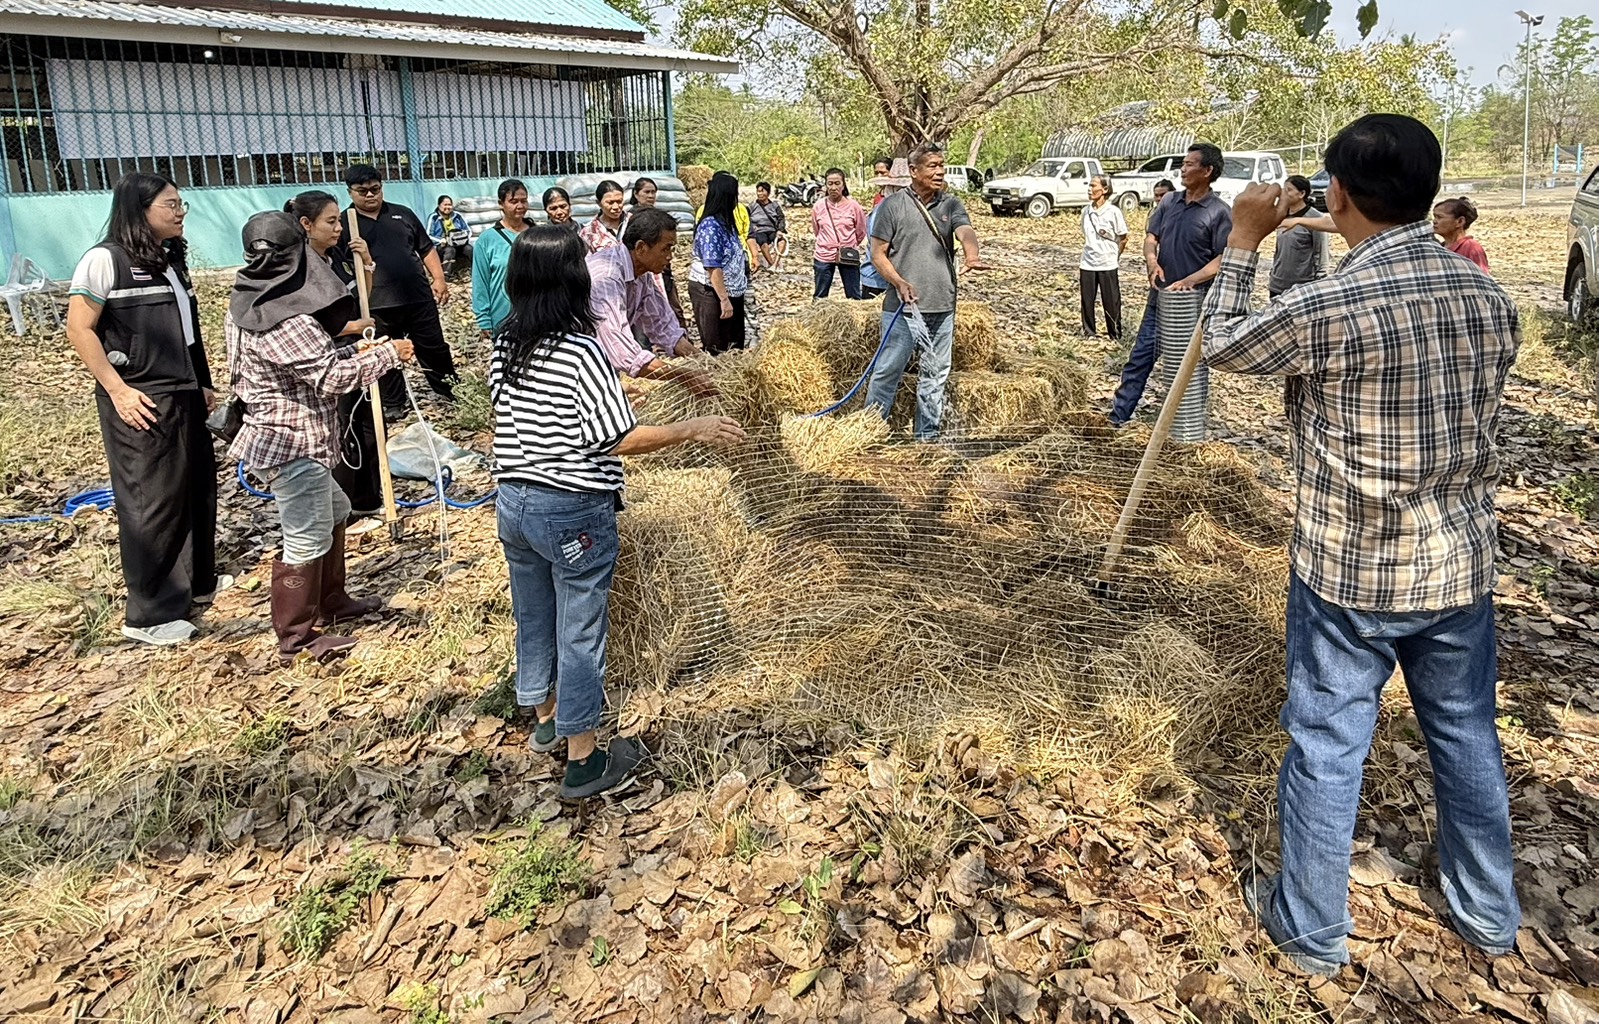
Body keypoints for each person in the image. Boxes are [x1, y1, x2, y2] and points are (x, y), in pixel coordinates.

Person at [1202, 113, 1521, 979]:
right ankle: (1488, 913)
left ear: (1336, 194)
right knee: (1464, 736)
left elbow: (1225, 347)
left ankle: (1309, 930)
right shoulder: (1488, 298)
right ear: (1428, 193)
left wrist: (1241, 241)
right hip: (1457, 561)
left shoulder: (1328, 304)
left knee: (1327, 742)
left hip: (1350, 569)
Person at [491, 225, 746, 798]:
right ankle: (583, 760)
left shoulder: (506, 340)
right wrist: (692, 429)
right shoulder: (582, 347)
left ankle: (546, 719)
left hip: (514, 501)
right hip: (571, 507)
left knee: (534, 615)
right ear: (571, 278)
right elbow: (614, 439)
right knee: (581, 631)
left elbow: (534, 410)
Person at [226, 211, 415, 663]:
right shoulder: (281, 319)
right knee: (306, 536)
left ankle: (331, 601)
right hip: (290, 443)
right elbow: (330, 378)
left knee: (336, 509)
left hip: (294, 436)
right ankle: (296, 637)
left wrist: (356, 349)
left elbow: (315, 360)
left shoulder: (249, 304)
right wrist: (388, 353)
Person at [66, 172, 227, 647]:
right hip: (139, 396)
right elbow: (80, 329)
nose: (180, 213)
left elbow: (187, 330)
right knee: (150, 500)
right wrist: (118, 390)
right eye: (171, 205)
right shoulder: (104, 260)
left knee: (196, 487)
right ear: (140, 210)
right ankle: (150, 615)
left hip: (184, 390)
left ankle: (198, 582)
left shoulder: (167, 259)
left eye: (182, 205)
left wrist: (202, 383)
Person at [864, 143, 988, 439]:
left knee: (935, 375)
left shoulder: (951, 204)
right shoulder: (892, 207)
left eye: (942, 165)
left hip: (943, 305)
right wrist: (899, 282)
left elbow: (965, 231)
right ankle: (868, 432)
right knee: (887, 372)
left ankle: (926, 437)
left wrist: (972, 255)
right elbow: (877, 254)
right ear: (913, 171)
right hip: (902, 309)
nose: (940, 171)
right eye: (932, 166)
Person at [1108, 143, 1232, 426]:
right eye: (1184, 163)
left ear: (1207, 171)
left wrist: (1191, 279)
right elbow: (1151, 238)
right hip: (1160, 298)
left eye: (1190, 164)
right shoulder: (1169, 202)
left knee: (1188, 367)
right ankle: (1118, 417)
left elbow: (1224, 257)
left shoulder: (1219, 212)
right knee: (1140, 358)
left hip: (1193, 303)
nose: (1183, 169)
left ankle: (1185, 426)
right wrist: (1152, 262)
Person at [286, 190, 382, 520]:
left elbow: (361, 296)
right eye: (331, 221)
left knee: (363, 424)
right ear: (306, 224)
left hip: (353, 353)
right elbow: (307, 326)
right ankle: (344, 507)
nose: (338, 227)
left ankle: (368, 498)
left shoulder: (334, 259)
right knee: (340, 431)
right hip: (324, 361)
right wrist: (353, 328)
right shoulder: (299, 270)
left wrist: (366, 260)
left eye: (339, 220)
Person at [335, 164, 456, 414]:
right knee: (384, 352)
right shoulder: (345, 224)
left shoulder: (403, 214)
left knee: (433, 347)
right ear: (350, 193)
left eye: (375, 189)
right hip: (375, 303)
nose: (370, 195)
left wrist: (439, 279)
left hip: (417, 298)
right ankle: (393, 403)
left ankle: (449, 391)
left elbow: (426, 249)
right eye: (362, 191)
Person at [587, 207, 710, 393]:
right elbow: (624, 353)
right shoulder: (607, 277)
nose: (670, 257)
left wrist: (702, 361)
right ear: (641, 248)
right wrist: (683, 375)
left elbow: (662, 324)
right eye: (665, 249)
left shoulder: (642, 273)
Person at [689, 172, 751, 354]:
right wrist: (724, 300)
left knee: (735, 345)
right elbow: (712, 266)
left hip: (733, 292)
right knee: (718, 346)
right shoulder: (710, 226)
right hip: (712, 293)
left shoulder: (727, 223)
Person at [471, 178, 530, 342]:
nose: (520, 206)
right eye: (513, 201)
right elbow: (480, 281)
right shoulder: (487, 240)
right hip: (503, 316)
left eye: (524, 201)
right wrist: (483, 318)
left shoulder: (536, 235)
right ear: (501, 203)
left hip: (536, 314)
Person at [627, 176, 688, 326]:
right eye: (646, 192)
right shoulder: (631, 219)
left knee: (673, 311)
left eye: (653, 192)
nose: (650, 196)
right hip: (646, 273)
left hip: (663, 274)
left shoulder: (659, 217)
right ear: (636, 194)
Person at [1080, 175, 1129, 339]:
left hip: (1107, 262)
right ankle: (1089, 331)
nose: (1090, 189)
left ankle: (1114, 333)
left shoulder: (1113, 212)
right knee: (1087, 300)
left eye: (1093, 186)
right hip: (1087, 262)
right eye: (1089, 185)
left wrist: (1115, 255)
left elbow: (1123, 237)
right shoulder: (1085, 211)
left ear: (1105, 189)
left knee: (1111, 301)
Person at [1268, 175, 1330, 299]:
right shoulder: (1282, 216)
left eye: (1289, 190)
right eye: (1283, 189)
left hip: (1302, 287)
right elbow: (1279, 249)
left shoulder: (1315, 219)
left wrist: (1320, 281)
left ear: (1302, 194)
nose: (1284, 194)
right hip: (1277, 284)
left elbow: (1322, 254)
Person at [812, 167, 869, 300]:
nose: (833, 187)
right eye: (830, 183)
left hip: (848, 255)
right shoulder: (818, 207)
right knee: (820, 297)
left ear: (843, 185)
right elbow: (817, 230)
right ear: (825, 185)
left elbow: (861, 231)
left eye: (837, 183)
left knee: (854, 296)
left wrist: (848, 244)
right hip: (823, 255)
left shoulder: (854, 206)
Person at [859, 161, 910, 299]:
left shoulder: (906, 211)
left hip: (897, 281)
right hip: (879, 281)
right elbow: (880, 254)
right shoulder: (883, 212)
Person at [1434, 197, 1489, 273]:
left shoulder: (1472, 248)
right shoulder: (1439, 247)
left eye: (1439, 217)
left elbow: (1482, 280)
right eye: (1435, 217)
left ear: (1460, 221)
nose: (1434, 221)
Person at [426, 195, 473, 281]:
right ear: (439, 205)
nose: (447, 207)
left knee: (469, 249)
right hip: (443, 246)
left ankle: (474, 272)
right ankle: (447, 277)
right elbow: (428, 235)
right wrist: (440, 240)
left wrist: (463, 238)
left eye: (449, 205)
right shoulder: (434, 217)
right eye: (445, 205)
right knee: (450, 250)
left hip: (459, 244)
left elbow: (468, 231)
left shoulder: (457, 216)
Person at [579, 179, 629, 253]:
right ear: (598, 203)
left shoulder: (634, 221)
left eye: (619, 201)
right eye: (610, 202)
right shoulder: (589, 233)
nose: (615, 207)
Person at [748, 182, 788, 273]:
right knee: (763, 243)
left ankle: (775, 264)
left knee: (782, 242)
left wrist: (780, 230)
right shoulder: (752, 206)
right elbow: (746, 219)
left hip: (772, 230)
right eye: (758, 191)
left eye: (762, 191)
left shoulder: (775, 205)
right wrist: (753, 227)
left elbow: (781, 218)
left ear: (768, 193)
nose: (760, 194)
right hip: (759, 231)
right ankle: (771, 264)